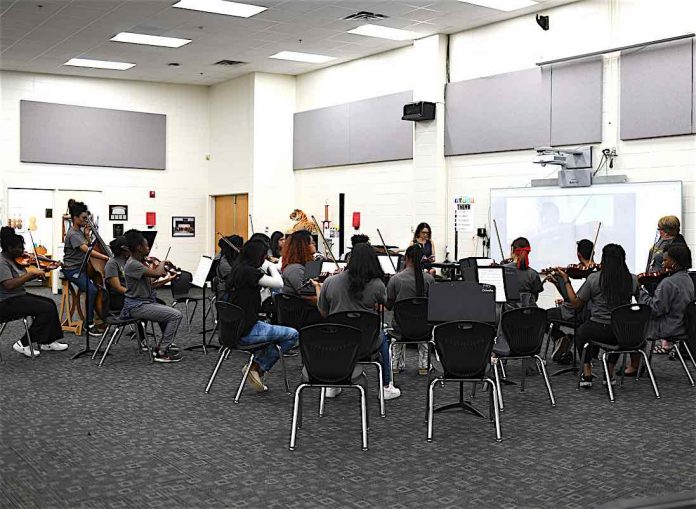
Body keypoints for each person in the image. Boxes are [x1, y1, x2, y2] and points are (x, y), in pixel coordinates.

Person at [315, 242, 401, 400]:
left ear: (350, 260)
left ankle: (332, 385)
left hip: (338, 342)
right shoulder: (377, 285)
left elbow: (323, 312)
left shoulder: (330, 282)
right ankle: (387, 385)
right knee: (382, 336)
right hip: (366, 344)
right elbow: (386, 305)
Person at [559, 243, 638, 387]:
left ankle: (587, 371)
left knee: (581, 334)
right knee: (619, 336)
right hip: (622, 330)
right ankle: (610, 371)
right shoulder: (632, 280)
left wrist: (566, 280)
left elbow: (576, 304)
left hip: (599, 327)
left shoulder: (595, 279)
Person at [224, 240, 298, 392]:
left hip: (231, 330)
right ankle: (258, 367)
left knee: (274, 337)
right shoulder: (250, 273)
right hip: (247, 330)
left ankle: (256, 366)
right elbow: (279, 283)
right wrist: (270, 265)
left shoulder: (237, 269)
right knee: (292, 335)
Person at [0, 227, 67, 357]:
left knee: (50, 303)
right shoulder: (2, 262)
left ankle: (47, 341)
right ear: (9, 248)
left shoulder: (14, 260)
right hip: (6, 302)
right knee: (45, 308)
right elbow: (9, 285)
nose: (22, 250)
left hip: (18, 296)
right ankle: (22, 343)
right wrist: (30, 275)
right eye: (19, 248)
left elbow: (20, 278)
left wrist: (39, 273)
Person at [120, 230, 182, 363]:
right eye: (147, 246)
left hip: (144, 303)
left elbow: (151, 283)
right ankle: (161, 351)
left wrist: (168, 277)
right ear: (139, 248)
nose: (148, 248)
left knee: (168, 313)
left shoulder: (138, 263)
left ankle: (162, 345)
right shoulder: (133, 264)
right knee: (175, 315)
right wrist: (162, 263)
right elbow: (156, 273)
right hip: (137, 306)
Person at [637, 245, 695, 369]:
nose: (662, 264)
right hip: (683, 324)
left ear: (674, 262)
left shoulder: (669, 283)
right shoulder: (688, 279)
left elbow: (654, 310)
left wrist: (640, 293)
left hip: (669, 327)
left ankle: (634, 365)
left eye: (665, 260)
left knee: (630, 327)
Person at [61, 200, 110, 333]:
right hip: (72, 270)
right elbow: (87, 250)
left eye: (87, 218)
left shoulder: (80, 232)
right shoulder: (72, 234)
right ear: (75, 218)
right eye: (83, 218)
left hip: (82, 268)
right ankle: (88, 324)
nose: (85, 221)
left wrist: (87, 235)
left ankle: (101, 318)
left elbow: (88, 245)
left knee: (99, 287)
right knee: (92, 290)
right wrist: (107, 257)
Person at [386, 244, 434, 375]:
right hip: (423, 328)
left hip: (401, 327)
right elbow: (434, 305)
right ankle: (424, 365)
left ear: (406, 258)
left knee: (396, 323)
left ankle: (396, 365)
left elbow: (389, 306)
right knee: (425, 322)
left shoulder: (395, 279)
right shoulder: (430, 279)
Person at [545, 238, 595, 361]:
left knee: (542, 316)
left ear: (578, 255)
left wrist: (565, 279)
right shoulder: (598, 273)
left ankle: (560, 338)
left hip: (575, 313)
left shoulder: (592, 277)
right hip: (589, 314)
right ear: (593, 253)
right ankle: (564, 343)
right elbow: (569, 298)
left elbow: (575, 302)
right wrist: (558, 284)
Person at [503, 237, 543, 306]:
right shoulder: (534, 274)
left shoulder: (502, 270)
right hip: (529, 314)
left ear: (513, 250)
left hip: (507, 314)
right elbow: (535, 298)